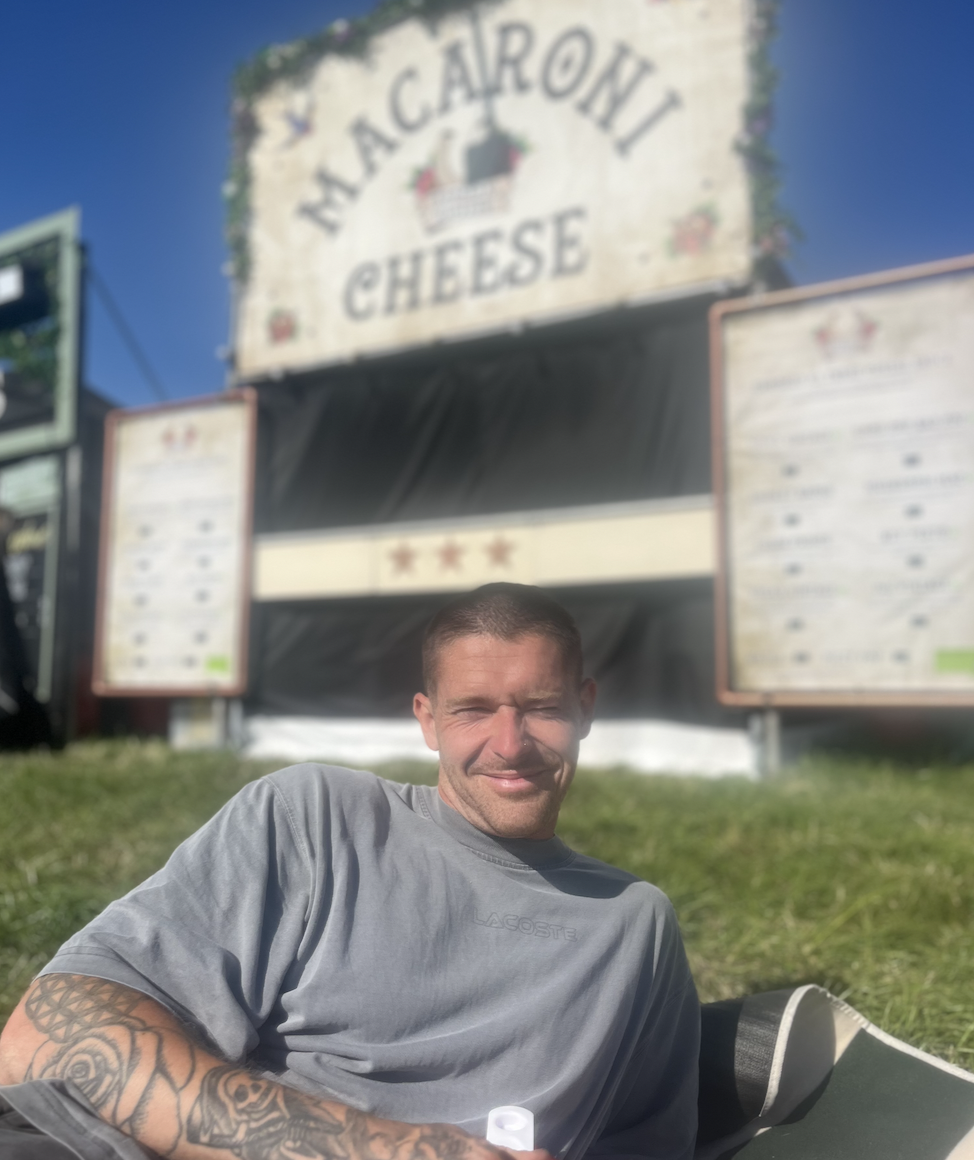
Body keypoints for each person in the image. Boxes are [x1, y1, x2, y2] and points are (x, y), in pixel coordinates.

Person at [0, 583, 700, 1160]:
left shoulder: (634, 923)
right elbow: (44, 1037)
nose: (510, 744)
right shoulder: (318, 817)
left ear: (586, 708)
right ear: (427, 721)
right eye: (473, 711)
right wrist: (392, 1151)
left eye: (542, 708)